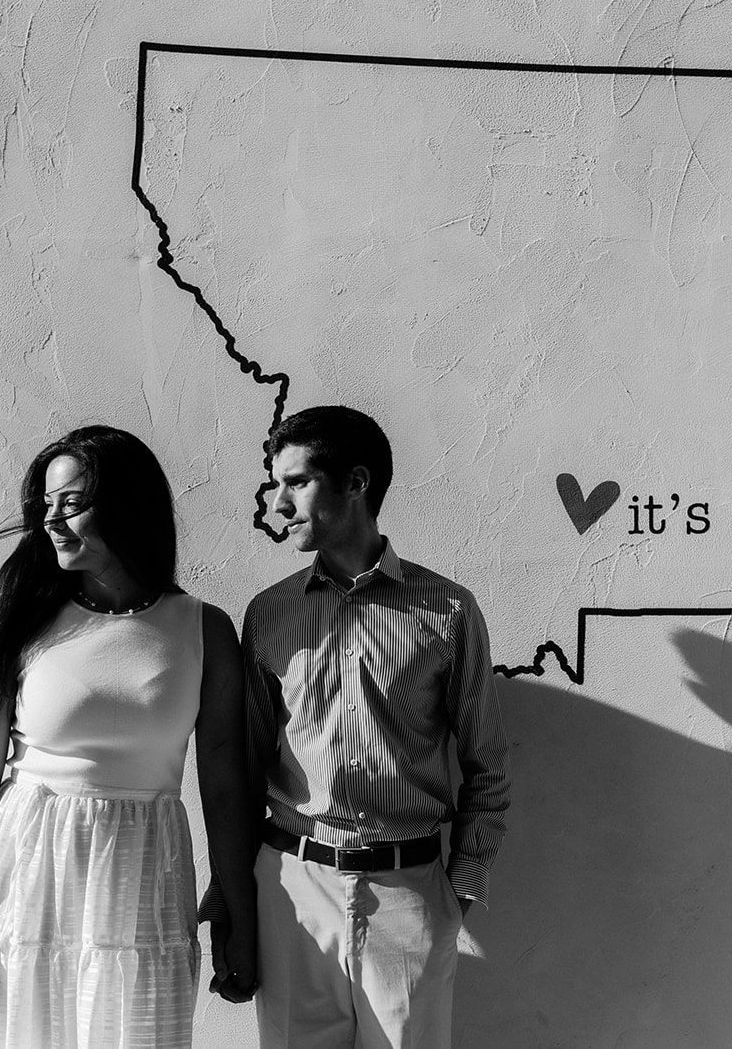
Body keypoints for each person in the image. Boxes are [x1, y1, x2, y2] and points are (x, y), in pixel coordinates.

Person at [0, 425, 258, 1047]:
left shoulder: (203, 630)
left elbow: (224, 788)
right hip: (26, 882)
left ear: (126, 508)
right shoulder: (21, 621)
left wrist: (239, 922)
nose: (51, 522)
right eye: (46, 506)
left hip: (145, 877)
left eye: (72, 505)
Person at [234, 405, 511, 1047]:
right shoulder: (269, 616)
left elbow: (487, 764)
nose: (276, 503)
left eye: (295, 483)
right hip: (294, 893)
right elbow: (244, 769)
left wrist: (455, 895)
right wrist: (241, 890)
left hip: (409, 894)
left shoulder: (446, 610)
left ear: (355, 483)